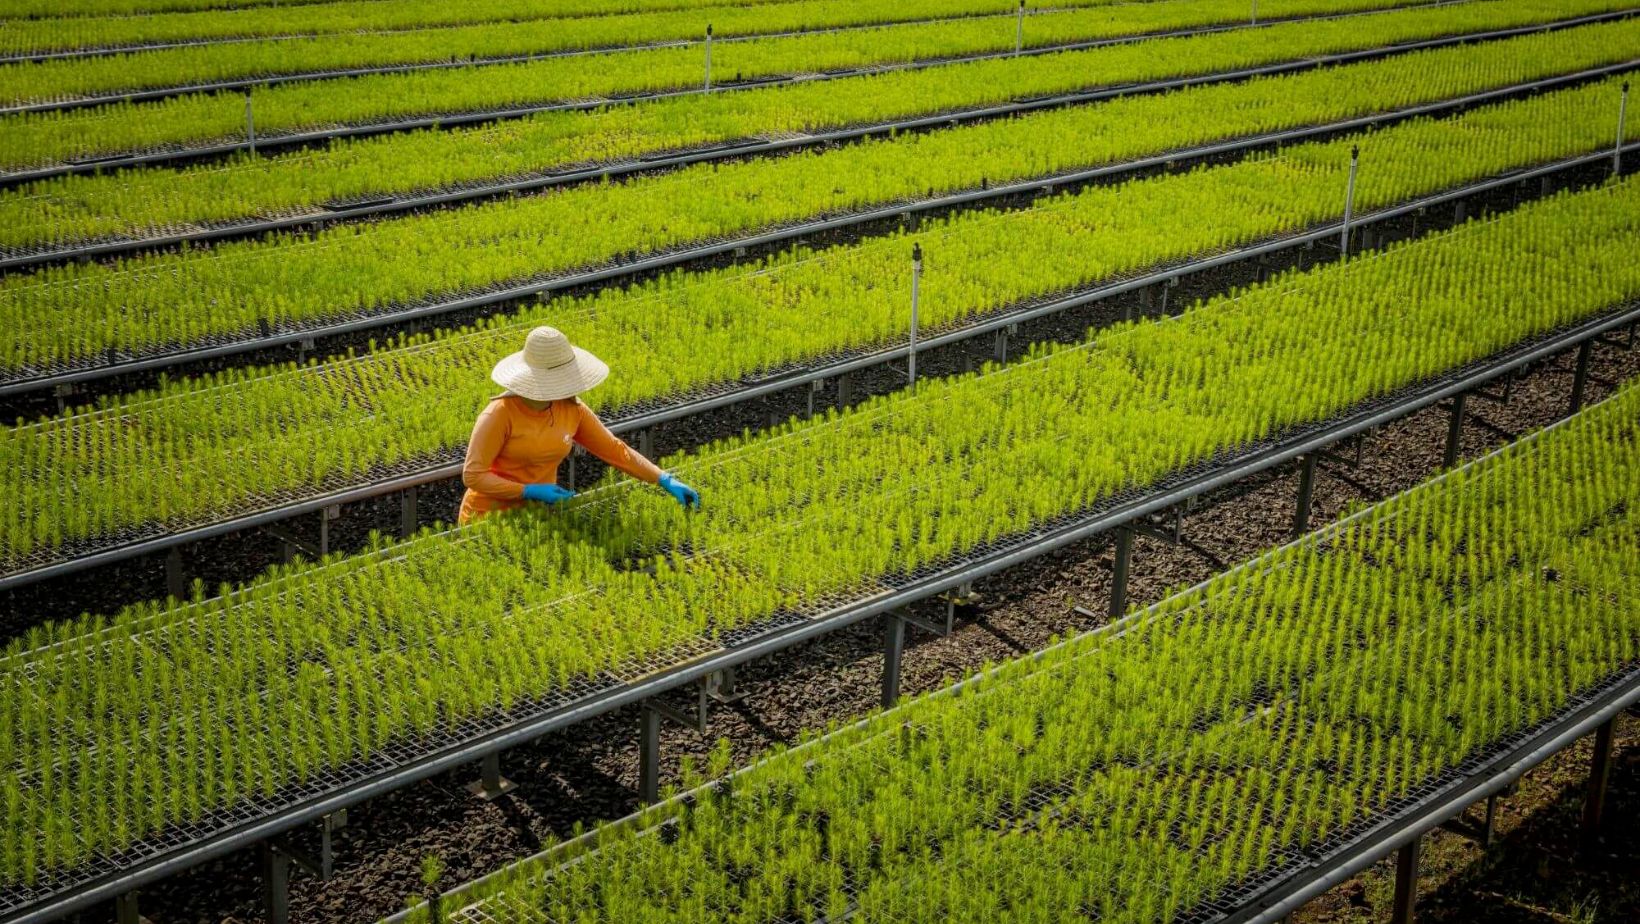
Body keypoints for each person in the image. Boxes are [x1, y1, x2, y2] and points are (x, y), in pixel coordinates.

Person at [459, 326, 699, 525]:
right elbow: (473, 476)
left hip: (538, 516)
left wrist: (664, 479)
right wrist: (527, 490)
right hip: (487, 520)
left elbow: (616, 450)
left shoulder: (572, 410)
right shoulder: (498, 415)